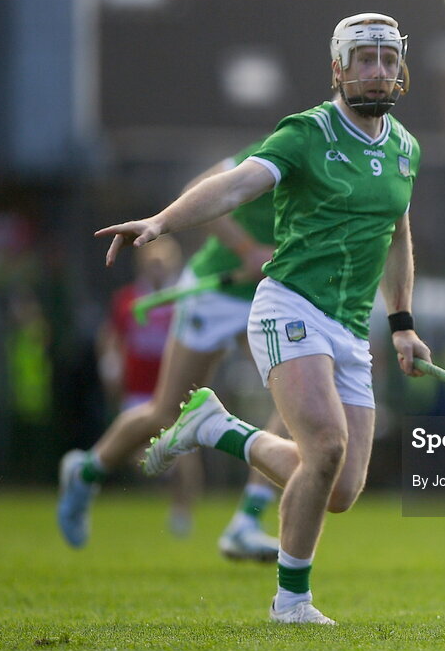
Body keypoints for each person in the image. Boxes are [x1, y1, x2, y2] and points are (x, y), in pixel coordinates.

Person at [92, 13, 430, 625]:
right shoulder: (308, 132)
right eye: (365, 59)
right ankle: (291, 604)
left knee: (344, 491)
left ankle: (215, 428)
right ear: (339, 69)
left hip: (352, 329)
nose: (378, 70)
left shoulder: (406, 148)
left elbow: (398, 235)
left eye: (387, 58)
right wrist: (162, 223)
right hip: (291, 306)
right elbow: (234, 184)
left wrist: (401, 320)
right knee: (323, 446)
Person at [57, 140, 286, 562]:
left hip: (268, 297)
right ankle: (86, 472)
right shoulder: (286, 146)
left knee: (291, 404)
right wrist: (247, 250)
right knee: (166, 413)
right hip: (214, 293)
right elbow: (198, 187)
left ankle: (247, 521)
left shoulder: (341, 172)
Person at [95, 235, 202, 536]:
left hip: (173, 387)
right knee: (136, 450)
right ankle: (157, 472)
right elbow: (111, 336)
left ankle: (182, 511)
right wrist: (110, 365)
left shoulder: (183, 299)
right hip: (138, 390)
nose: (158, 269)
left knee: (186, 451)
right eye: (152, 263)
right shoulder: (128, 299)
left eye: (163, 264)